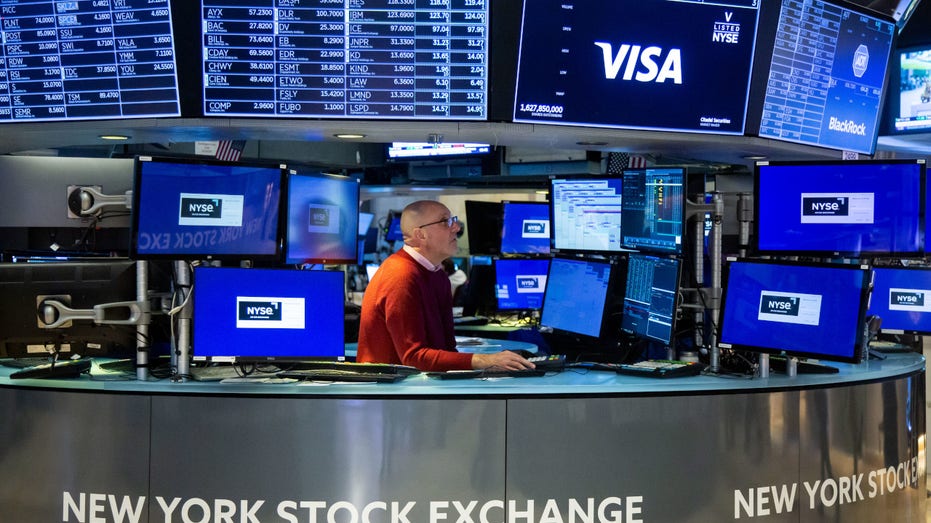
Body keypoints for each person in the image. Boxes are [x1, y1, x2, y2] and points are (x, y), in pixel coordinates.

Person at [357, 200, 534, 372]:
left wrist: (489, 366)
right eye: (445, 222)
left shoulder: (438, 275)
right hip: (390, 395)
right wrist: (482, 361)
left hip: (418, 386)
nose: (456, 228)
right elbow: (414, 357)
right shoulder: (400, 276)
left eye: (453, 220)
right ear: (421, 235)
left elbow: (447, 349)